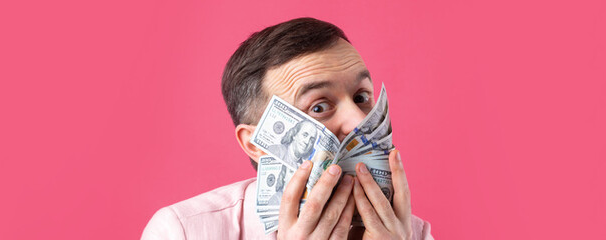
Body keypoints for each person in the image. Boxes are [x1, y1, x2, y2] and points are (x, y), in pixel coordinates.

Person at [141, 17, 433, 240]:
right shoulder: (184, 231)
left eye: (361, 97)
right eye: (318, 106)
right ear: (255, 142)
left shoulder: (412, 233)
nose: (359, 121)